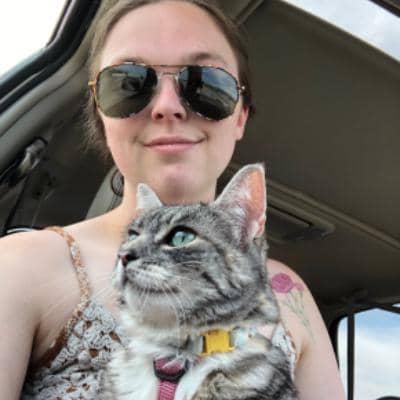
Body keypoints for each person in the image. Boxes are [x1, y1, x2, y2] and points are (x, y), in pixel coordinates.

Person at [0, 0, 346, 398]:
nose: (167, 107)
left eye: (206, 83)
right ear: (101, 115)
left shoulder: (289, 292)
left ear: (240, 116)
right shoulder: (20, 264)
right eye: (129, 83)